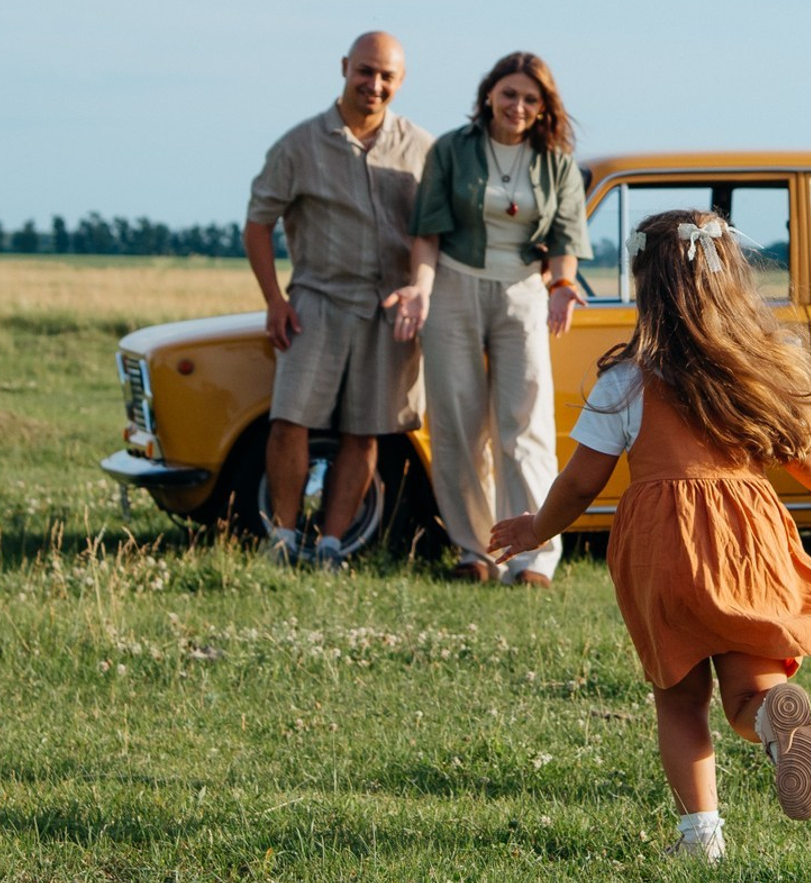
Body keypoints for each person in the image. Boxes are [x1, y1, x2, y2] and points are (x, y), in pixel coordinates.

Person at [490, 210, 811, 861]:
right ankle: (770, 717)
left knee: (679, 697)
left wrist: (538, 528)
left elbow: (580, 483)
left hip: (664, 548)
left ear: (649, 289)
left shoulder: (626, 381)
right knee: (748, 685)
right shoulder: (760, 369)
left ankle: (700, 836)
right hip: (748, 544)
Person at [385, 52, 590, 586]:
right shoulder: (452, 150)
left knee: (524, 426)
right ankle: (474, 551)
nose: (517, 106)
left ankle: (533, 557)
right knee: (456, 424)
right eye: (509, 94)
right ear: (489, 96)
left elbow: (566, 242)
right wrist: (420, 291)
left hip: (523, 289)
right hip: (452, 285)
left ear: (544, 106)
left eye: (530, 98)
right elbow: (426, 232)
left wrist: (563, 287)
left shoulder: (558, 164)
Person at [243, 32, 433, 565]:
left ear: (400, 81)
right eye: (365, 71)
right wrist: (273, 300)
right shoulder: (299, 144)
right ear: (345, 67)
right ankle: (281, 538)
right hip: (316, 301)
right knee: (289, 420)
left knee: (365, 429)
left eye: (386, 76)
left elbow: (435, 232)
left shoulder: (421, 146)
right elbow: (258, 224)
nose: (374, 84)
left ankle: (331, 545)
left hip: (387, 309)